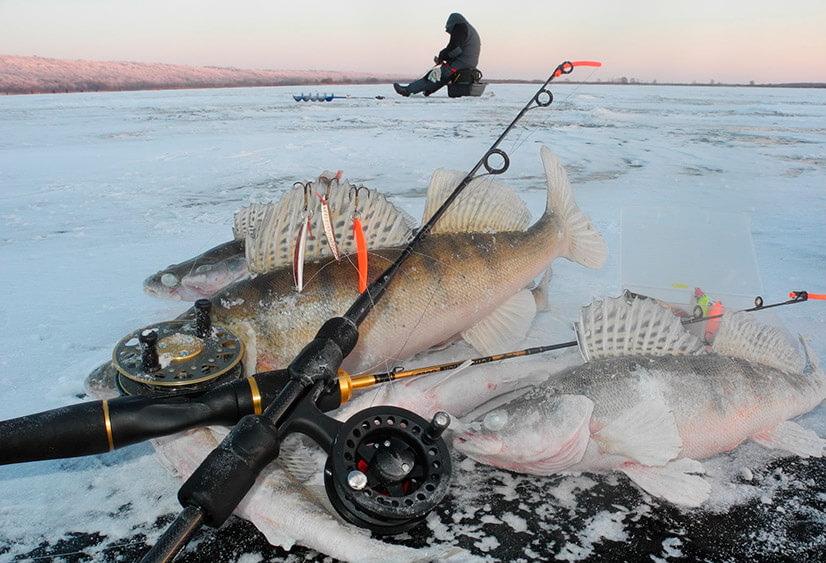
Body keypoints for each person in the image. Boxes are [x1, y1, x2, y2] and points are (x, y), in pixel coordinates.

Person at [393, 13, 481, 97]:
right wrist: (446, 57)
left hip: (463, 62)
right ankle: (427, 90)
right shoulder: (467, 28)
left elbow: (454, 48)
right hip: (467, 61)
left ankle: (408, 90)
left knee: (439, 74)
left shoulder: (460, 27)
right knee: (443, 73)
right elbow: (458, 49)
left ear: (451, 24)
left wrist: (442, 56)